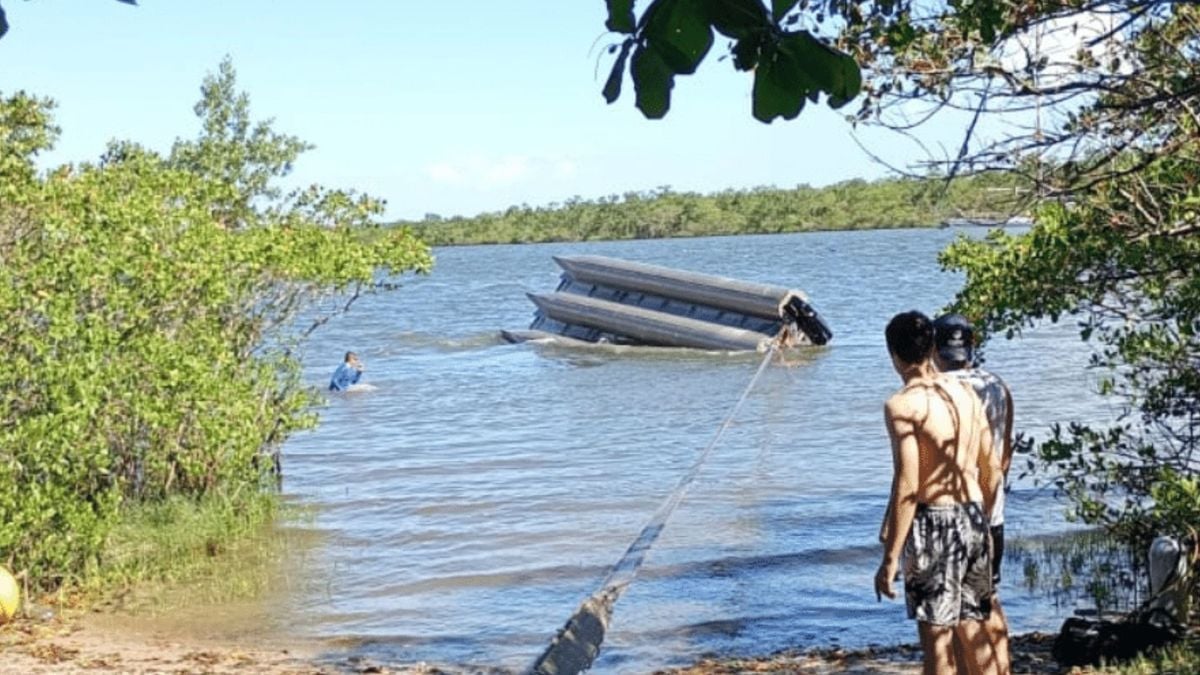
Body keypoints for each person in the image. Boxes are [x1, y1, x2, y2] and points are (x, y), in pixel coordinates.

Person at [875, 310, 1005, 675]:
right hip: (974, 515)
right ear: (933, 347)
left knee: (938, 644)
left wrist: (890, 559)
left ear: (894, 356)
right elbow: (991, 469)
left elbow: (908, 485)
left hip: (935, 523)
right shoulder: (966, 394)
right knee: (975, 633)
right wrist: (983, 520)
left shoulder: (902, 405)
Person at [934, 313, 1014, 675]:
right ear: (972, 344)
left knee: (954, 618)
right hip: (992, 513)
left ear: (934, 349)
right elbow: (1003, 456)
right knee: (987, 602)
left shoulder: (937, 392)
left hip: (955, 514)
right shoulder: (997, 386)